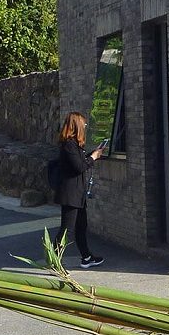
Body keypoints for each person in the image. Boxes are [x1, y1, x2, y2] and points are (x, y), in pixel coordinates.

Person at [54, 111, 105, 268]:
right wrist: (93, 157)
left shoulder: (74, 145)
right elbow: (79, 166)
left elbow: (79, 161)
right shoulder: (69, 145)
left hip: (78, 194)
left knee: (81, 226)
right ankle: (54, 260)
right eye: (84, 124)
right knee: (67, 229)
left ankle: (87, 257)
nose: (85, 127)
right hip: (71, 194)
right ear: (76, 126)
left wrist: (92, 153)